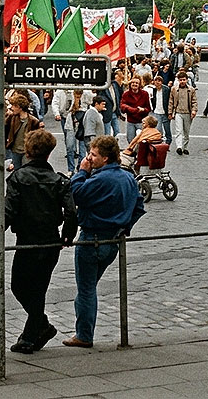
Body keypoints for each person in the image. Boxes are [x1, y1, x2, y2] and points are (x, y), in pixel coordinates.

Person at [64, 136, 144, 348]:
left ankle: (84, 335)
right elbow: (139, 206)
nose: (89, 158)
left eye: (93, 155)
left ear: (106, 158)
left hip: (93, 238)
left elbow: (75, 194)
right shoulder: (127, 178)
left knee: (86, 288)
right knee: (89, 286)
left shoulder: (100, 179)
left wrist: (81, 172)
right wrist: (125, 226)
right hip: (113, 240)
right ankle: (83, 331)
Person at [5, 130, 77, 354]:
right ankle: (38, 328)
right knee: (38, 288)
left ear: (27, 151)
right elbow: (72, 212)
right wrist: (67, 234)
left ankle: (33, 333)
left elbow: (8, 211)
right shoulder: (58, 180)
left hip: (27, 239)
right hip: (50, 240)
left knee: (20, 286)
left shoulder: (18, 178)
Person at [5, 94, 40, 171]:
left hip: (27, 151)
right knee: (17, 171)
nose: (11, 108)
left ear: (19, 107)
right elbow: (4, 129)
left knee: (26, 170)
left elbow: (37, 138)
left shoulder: (33, 121)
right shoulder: (11, 118)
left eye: (14, 106)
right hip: (15, 150)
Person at [168, 71, 197, 155]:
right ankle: (179, 147)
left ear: (187, 80)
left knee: (186, 132)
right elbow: (171, 101)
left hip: (188, 112)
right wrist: (170, 112)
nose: (182, 81)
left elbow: (194, 101)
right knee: (178, 130)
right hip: (178, 112)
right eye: (181, 80)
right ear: (178, 80)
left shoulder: (191, 90)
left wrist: (194, 110)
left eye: (184, 80)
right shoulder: (174, 89)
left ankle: (185, 147)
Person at [119, 77, 150, 145]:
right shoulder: (126, 94)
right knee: (130, 139)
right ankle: (132, 153)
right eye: (133, 82)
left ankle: (140, 154)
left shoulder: (145, 94)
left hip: (141, 121)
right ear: (130, 84)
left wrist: (143, 110)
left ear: (139, 85)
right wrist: (129, 109)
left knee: (142, 140)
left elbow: (148, 108)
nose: (134, 84)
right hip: (131, 121)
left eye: (136, 83)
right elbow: (122, 106)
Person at [149, 75, 172, 147]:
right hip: (157, 112)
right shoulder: (153, 90)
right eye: (156, 81)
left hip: (165, 112)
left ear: (161, 82)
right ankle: (160, 144)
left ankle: (168, 143)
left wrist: (170, 112)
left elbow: (170, 100)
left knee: (167, 129)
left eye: (159, 81)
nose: (157, 83)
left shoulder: (166, 89)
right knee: (158, 129)